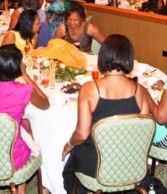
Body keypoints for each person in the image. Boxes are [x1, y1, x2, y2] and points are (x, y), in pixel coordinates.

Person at [62, 35, 151, 194]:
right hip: (131, 165)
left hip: (96, 166)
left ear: (102, 57)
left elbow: (82, 134)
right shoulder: (140, 91)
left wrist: (69, 144)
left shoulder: (90, 89)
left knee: (74, 157)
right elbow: (143, 133)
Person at [0, 44, 49, 192]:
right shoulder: (23, 90)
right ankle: (20, 189)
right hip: (14, 156)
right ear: (17, 67)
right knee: (29, 127)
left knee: (24, 123)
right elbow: (45, 104)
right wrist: (25, 75)